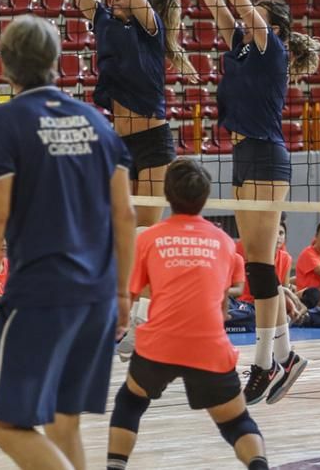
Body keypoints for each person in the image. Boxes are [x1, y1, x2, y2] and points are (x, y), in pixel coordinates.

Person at [0, 15, 137, 469]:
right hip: (97, 296)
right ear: (57, 61)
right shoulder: (97, 123)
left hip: (42, 294)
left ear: (3, 67)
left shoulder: (4, 123)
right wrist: (122, 292)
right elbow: (125, 214)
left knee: (3, 423)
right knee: (62, 421)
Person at [182, 0, 320, 403]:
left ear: (275, 28)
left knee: (261, 267)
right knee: (255, 261)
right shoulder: (242, 49)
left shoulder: (271, 49)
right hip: (243, 156)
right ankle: (285, 355)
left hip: (265, 155)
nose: (245, 21)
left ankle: (265, 362)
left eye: (256, 18)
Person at [110, 159, 269, 470]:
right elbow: (222, 305)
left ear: (167, 195)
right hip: (209, 345)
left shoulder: (148, 238)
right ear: (205, 197)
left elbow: (127, 295)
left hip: (160, 344)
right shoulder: (224, 242)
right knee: (236, 422)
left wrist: (120, 326)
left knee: (130, 402)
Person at [53, 0, 196, 228]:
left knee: (143, 231)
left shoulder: (150, 29)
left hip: (152, 140)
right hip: (118, 141)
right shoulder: (104, 21)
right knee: (120, 230)